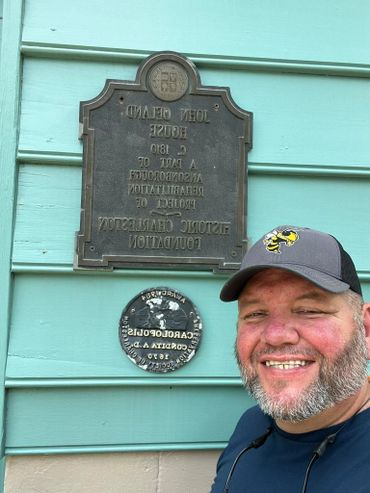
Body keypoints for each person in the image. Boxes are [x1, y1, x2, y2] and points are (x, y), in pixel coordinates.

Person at [210, 226, 370, 493]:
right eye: (256, 314)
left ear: (365, 329)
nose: (275, 336)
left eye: (308, 310)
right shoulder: (252, 424)